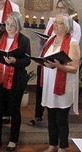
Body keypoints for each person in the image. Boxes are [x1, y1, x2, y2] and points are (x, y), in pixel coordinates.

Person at [28, 0, 81, 126]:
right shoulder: (52, 22)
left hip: (62, 64)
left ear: (70, 9)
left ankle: (60, 116)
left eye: (63, 7)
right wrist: (42, 42)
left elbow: (73, 45)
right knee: (42, 88)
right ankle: (38, 114)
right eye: (58, 7)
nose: (60, 9)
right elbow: (47, 42)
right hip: (47, 59)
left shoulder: (74, 26)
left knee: (59, 104)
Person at [0, 12, 31, 151]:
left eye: (12, 25)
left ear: (18, 26)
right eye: (7, 24)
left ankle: (13, 140)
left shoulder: (24, 40)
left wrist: (14, 61)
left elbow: (27, 60)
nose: (9, 27)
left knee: (14, 110)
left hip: (16, 79)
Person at [40, 14, 80, 152]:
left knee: (61, 119)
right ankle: (53, 145)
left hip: (63, 86)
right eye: (55, 22)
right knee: (51, 117)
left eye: (59, 23)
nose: (55, 25)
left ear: (67, 26)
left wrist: (60, 66)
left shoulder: (72, 43)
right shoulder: (51, 39)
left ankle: (63, 147)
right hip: (50, 84)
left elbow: (74, 69)